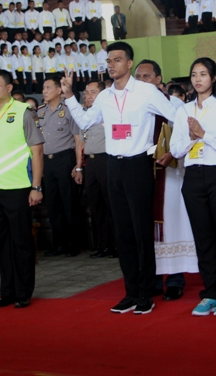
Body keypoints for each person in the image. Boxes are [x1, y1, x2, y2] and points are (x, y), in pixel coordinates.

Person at [61, 42, 177, 315]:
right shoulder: (104, 96)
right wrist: (68, 96)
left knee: (141, 231)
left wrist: (174, 150)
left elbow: (175, 116)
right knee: (122, 231)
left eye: (117, 59)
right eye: (109, 60)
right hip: (114, 166)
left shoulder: (147, 91)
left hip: (138, 165)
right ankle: (131, 292)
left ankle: (147, 291)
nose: (111, 64)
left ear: (129, 63)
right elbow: (86, 121)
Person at [170, 57, 216, 316]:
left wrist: (204, 135)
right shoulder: (183, 111)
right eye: (193, 74)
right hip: (193, 176)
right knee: (203, 238)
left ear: (214, 79)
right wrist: (191, 139)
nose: (197, 79)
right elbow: (175, 149)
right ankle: (210, 292)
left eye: (203, 74)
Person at [0, 69, 44, 308]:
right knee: (0, 243)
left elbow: (36, 151)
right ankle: (7, 292)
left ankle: (24, 292)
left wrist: (36, 186)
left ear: (9, 88)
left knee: (21, 241)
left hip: (18, 187)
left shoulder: (24, 112)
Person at [134, 59, 197, 301]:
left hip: (169, 173)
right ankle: (151, 279)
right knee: (144, 225)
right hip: (140, 172)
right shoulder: (132, 104)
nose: (141, 81)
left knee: (171, 223)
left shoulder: (175, 105)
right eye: (138, 77)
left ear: (159, 80)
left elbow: (189, 133)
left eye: (146, 76)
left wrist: (173, 153)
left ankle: (174, 279)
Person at [38, 76, 83, 257]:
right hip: (46, 162)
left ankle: (73, 244)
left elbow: (78, 139)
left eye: (48, 88)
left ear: (59, 90)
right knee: (53, 204)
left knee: (68, 202)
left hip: (64, 159)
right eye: (43, 88)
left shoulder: (68, 110)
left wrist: (78, 165)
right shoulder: (40, 111)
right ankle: (58, 244)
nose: (44, 91)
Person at [82, 80, 115, 258]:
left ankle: (117, 244)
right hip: (91, 162)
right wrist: (79, 167)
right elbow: (80, 140)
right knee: (96, 206)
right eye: (86, 93)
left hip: (106, 160)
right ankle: (103, 245)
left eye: (92, 92)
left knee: (111, 204)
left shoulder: (109, 113)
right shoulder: (85, 116)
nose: (88, 96)